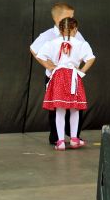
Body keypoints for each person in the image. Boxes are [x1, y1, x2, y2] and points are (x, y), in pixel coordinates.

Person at [30, 2, 85, 145]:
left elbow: (83, 49)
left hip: (71, 78)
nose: (71, 20)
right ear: (57, 19)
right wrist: (48, 64)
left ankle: (74, 135)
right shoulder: (48, 35)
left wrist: (77, 66)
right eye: (68, 17)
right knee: (56, 107)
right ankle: (56, 137)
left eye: (72, 17)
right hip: (54, 77)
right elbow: (34, 49)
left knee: (75, 106)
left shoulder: (76, 33)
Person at [38, 17, 95, 150]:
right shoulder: (81, 44)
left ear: (60, 30)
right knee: (75, 108)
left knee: (60, 109)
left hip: (58, 76)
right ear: (75, 29)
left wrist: (50, 67)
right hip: (73, 76)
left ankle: (61, 142)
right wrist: (81, 71)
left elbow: (40, 56)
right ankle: (74, 139)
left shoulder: (52, 42)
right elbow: (91, 58)